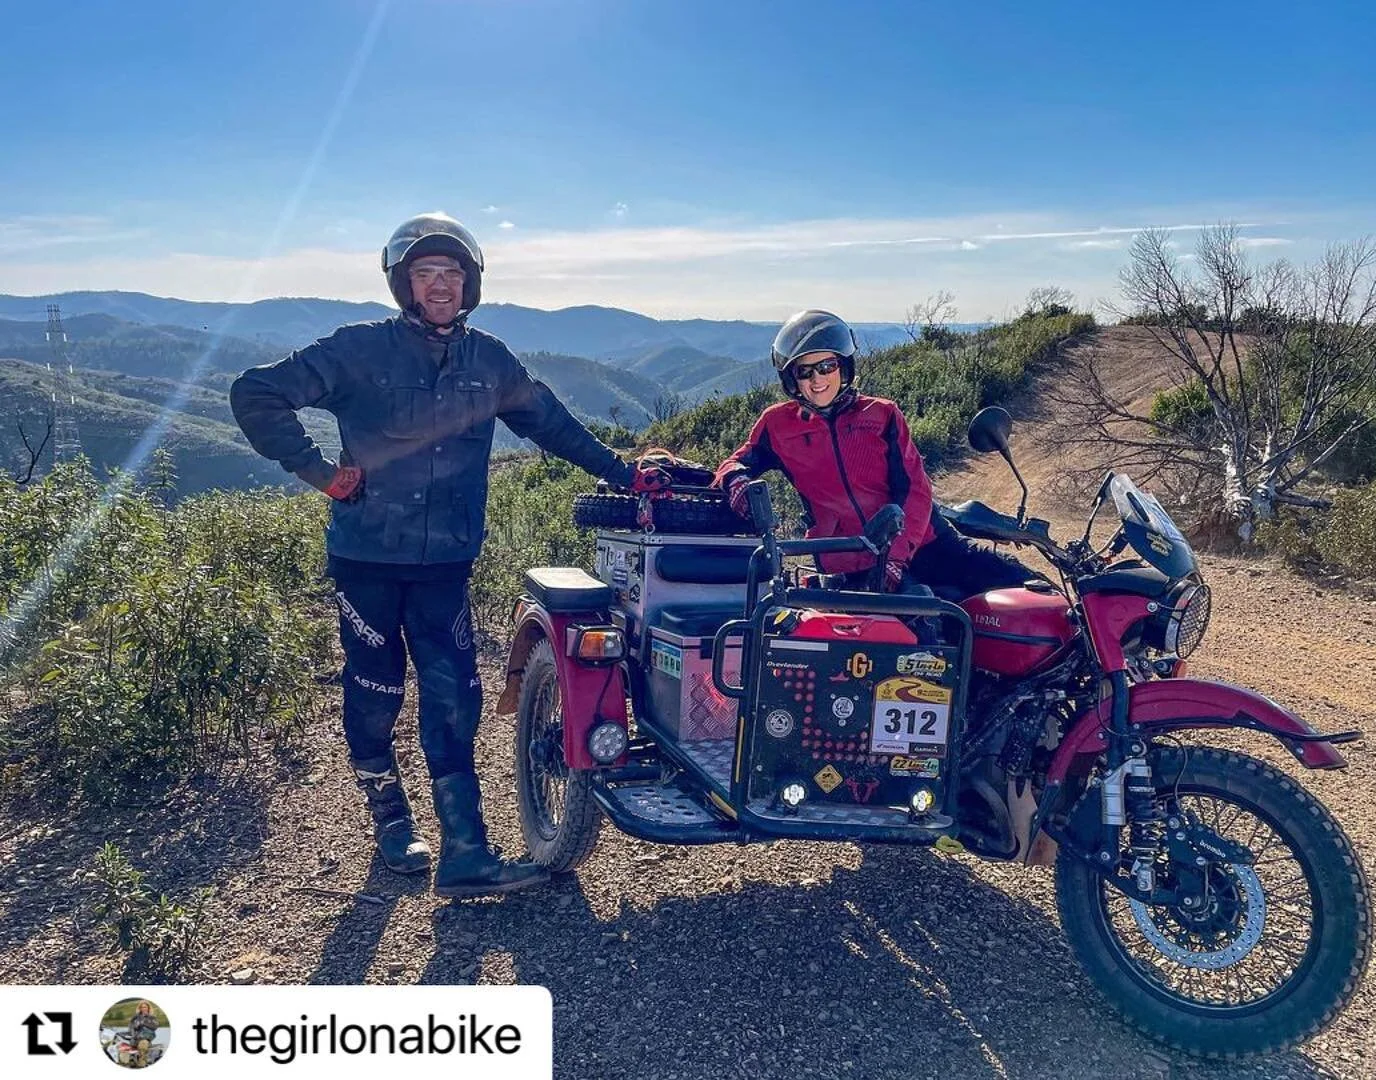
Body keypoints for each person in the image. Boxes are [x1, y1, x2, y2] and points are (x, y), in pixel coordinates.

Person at [231, 212, 670, 897]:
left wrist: (624, 472)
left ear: (471, 284)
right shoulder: (357, 349)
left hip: (445, 564)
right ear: (402, 283)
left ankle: (465, 852)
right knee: (374, 689)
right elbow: (256, 393)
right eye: (425, 273)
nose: (440, 285)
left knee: (455, 696)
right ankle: (390, 819)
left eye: (452, 273)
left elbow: (552, 424)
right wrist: (319, 473)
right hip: (367, 559)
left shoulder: (489, 361)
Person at [715, 309, 1028, 602]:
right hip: (850, 559)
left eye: (826, 366)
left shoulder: (881, 414)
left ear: (843, 366)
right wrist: (735, 480)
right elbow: (735, 463)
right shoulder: (777, 424)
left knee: (1023, 587)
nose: (817, 379)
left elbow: (915, 490)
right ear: (791, 379)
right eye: (804, 371)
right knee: (919, 628)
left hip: (925, 543)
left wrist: (896, 557)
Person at [127, 1001, 159, 1067]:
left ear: (148, 1008)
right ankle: (130, 1062)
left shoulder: (152, 1017)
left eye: (145, 1007)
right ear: (140, 1008)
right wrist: (133, 1034)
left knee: (143, 1044)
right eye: (142, 1007)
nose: (143, 1008)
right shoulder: (135, 1017)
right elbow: (130, 1027)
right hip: (135, 1038)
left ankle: (142, 1064)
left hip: (145, 1039)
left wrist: (144, 1022)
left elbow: (155, 1027)